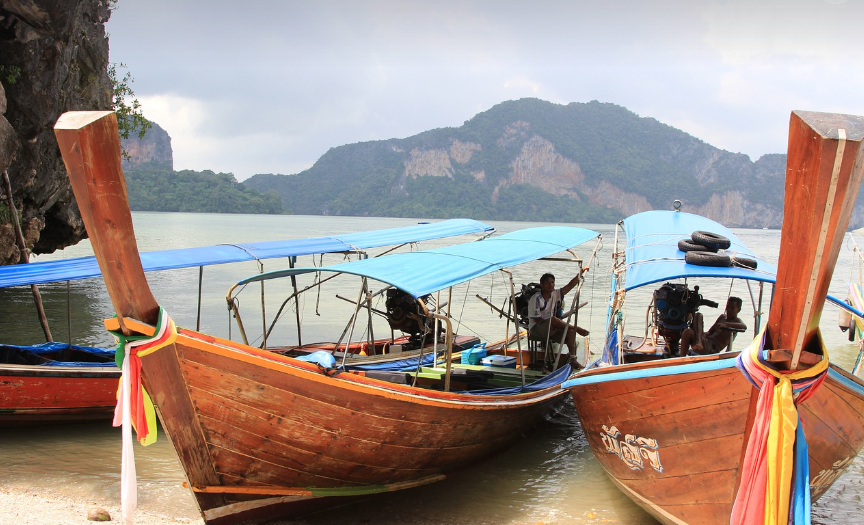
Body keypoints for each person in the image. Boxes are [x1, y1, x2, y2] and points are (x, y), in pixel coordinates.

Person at [528, 272, 589, 365]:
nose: (551, 285)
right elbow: (537, 319)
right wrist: (554, 326)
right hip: (536, 328)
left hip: (551, 328)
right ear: (542, 285)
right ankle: (577, 329)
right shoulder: (536, 298)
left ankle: (573, 359)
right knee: (553, 319)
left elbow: (569, 286)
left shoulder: (555, 294)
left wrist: (579, 274)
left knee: (570, 332)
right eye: (548, 283)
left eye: (552, 282)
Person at [679, 296, 746, 356]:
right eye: (728, 307)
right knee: (691, 325)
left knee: (694, 326)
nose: (729, 309)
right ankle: (682, 358)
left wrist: (726, 324)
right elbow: (709, 332)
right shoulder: (722, 317)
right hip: (706, 341)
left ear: (738, 310)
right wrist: (702, 334)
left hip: (712, 348)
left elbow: (744, 326)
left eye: (732, 308)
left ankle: (698, 342)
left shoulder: (737, 321)